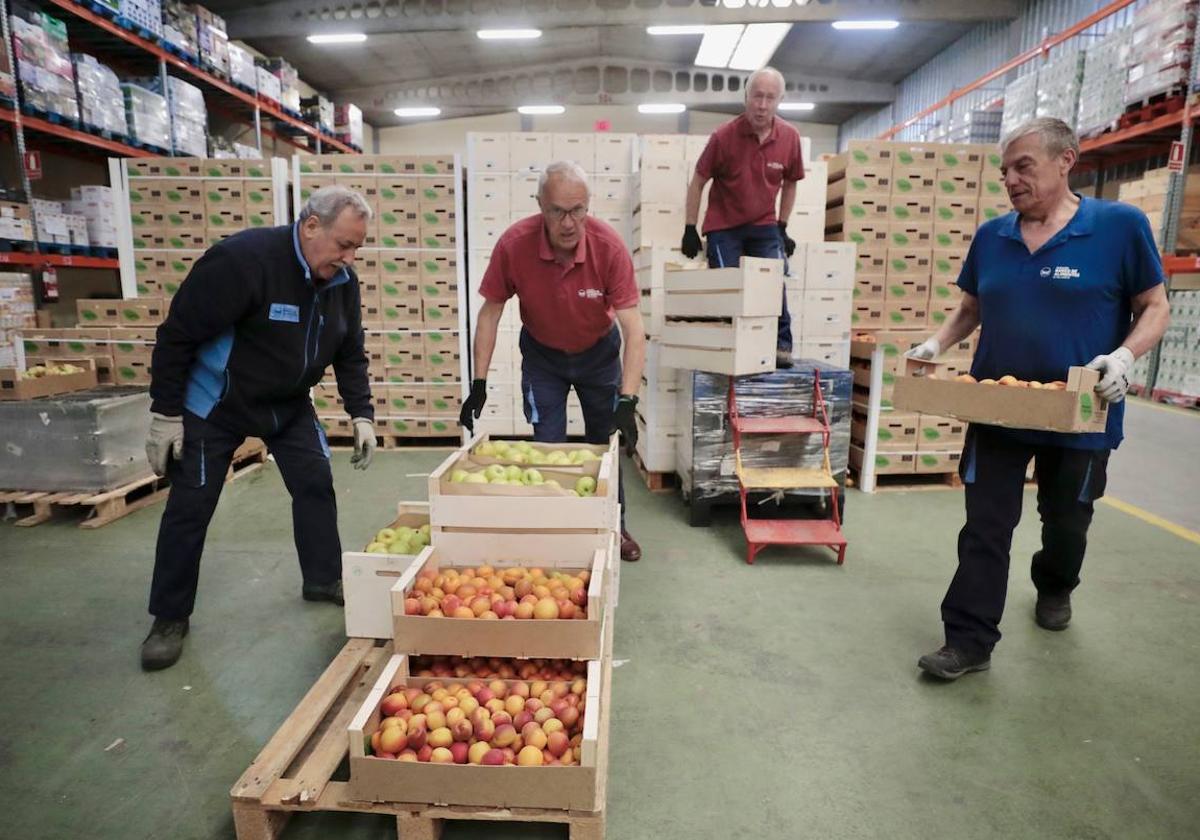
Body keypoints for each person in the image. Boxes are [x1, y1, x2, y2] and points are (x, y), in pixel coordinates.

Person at [908, 117, 1170, 680]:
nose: (1012, 180)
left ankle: (1055, 584)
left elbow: (1154, 306)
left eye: (1024, 166)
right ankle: (968, 640)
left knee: (1067, 521)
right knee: (985, 526)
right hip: (998, 407)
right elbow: (971, 308)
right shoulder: (992, 237)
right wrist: (933, 343)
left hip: (1079, 413)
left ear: (1066, 160)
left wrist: (1123, 359)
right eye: (1006, 171)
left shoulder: (1119, 227)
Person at [139, 186, 378, 671]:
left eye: (357, 248)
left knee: (315, 482)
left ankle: (322, 578)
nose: (350, 258)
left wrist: (362, 413)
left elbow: (349, 350)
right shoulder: (242, 261)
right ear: (311, 226)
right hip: (218, 403)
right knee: (192, 504)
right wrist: (166, 414)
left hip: (287, 404)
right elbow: (177, 335)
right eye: (344, 245)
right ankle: (169, 616)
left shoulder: (340, 282)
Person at [460, 161, 646, 562]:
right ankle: (554, 529)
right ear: (540, 206)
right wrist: (478, 382)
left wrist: (628, 400)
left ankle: (615, 525)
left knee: (604, 445)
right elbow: (489, 313)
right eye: (558, 211)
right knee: (547, 446)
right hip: (543, 357)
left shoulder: (608, 247)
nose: (568, 222)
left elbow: (634, 329)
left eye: (578, 209)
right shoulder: (514, 245)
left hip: (599, 355)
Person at [680, 65, 805, 369]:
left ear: (780, 101)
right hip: (725, 227)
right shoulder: (724, 137)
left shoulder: (790, 138)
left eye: (770, 98)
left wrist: (783, 225)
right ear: (746, 97)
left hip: (764, 225)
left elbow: (790, 183)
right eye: (757, 96)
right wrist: (690, 227)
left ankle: (781, 344)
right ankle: (732, 347)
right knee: (729, 286)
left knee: (773, 282)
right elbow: (698, 180)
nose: (762, 105)